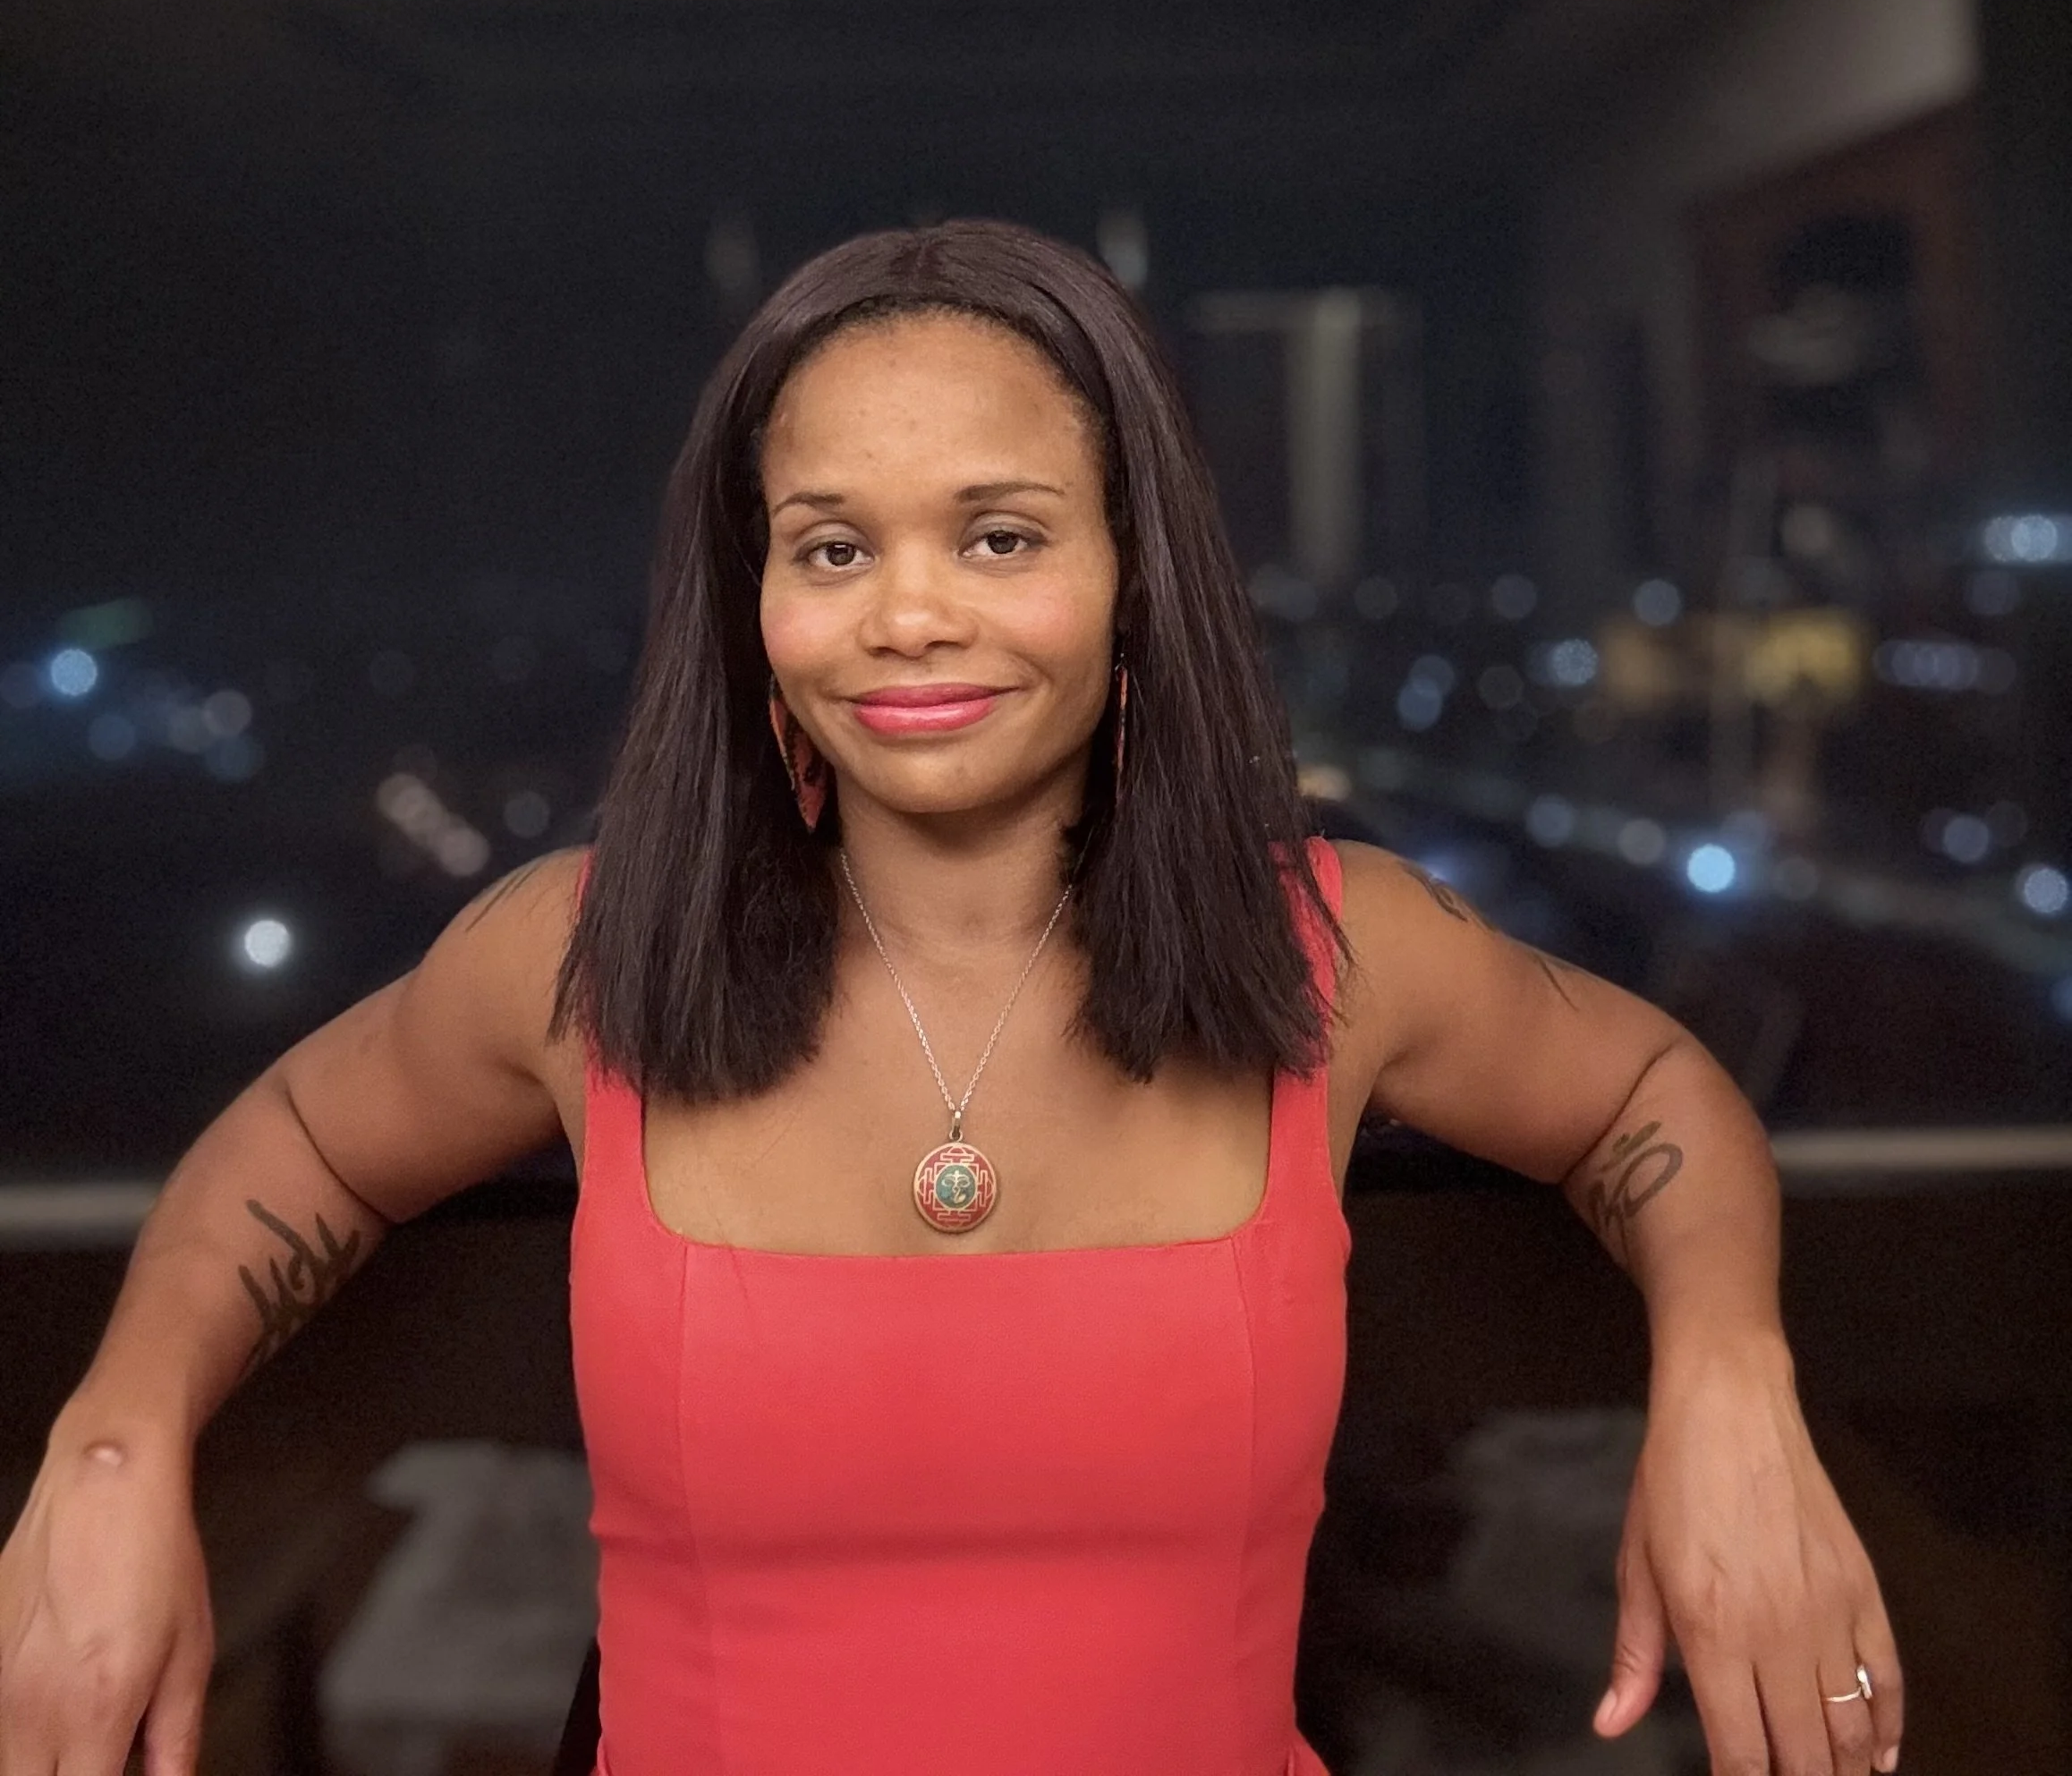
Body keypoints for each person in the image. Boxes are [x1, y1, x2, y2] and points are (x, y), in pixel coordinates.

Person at [0, 220, 1900, 1776]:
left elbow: (1650, 1087)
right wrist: (115, 1446)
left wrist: (1731, 1380)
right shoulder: (581, 958)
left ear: (1133, 575)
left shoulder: (1339, 948)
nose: (910, 614)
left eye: (1000, 534)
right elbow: (304, 1140)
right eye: (834, 547)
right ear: (755, 603)